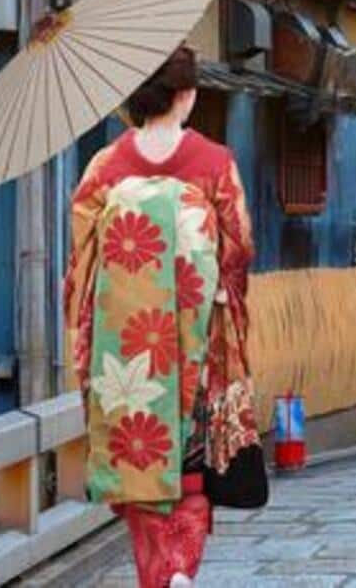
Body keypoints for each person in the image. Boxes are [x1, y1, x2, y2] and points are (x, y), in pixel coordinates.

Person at [63, 46, 258, 587]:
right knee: (190, 471)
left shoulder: (105, 168)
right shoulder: (214, 163)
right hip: (193, 344)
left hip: (126, 352)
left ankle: (158, 573)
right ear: (188, 96)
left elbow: (81, 263)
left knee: (138, 465)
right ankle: (180, 571)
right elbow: (238, 251)